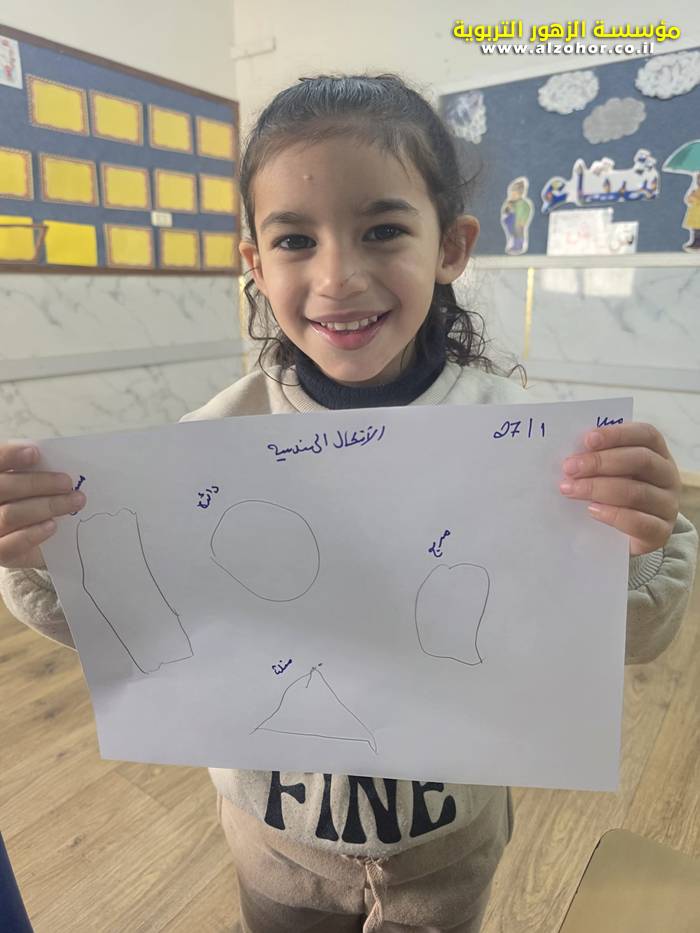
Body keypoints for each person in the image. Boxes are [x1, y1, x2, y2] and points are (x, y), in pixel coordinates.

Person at [0, 74, 697, 933]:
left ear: (451, 247)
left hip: (448, 843)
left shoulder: (532, 446)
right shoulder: (206, 443)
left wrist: (641, 541)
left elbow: (635, 639)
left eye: (383, 230)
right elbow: (132, 631)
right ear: (255, 264)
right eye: (295, 239)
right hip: (277, 842)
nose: (337, 276)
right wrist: (42, 552)